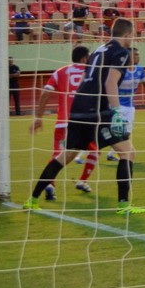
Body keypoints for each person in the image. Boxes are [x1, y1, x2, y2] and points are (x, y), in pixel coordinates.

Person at [23, 18, 145, 214]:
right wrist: (116, 112)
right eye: (132, 35)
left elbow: (84, 78)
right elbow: (110, 83)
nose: (133, 39)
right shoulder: (122, 52)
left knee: (67, 154)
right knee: (128, 152)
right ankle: (124, 205)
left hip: (78, 106)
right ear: (127, 35)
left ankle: (32, 199)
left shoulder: (99, 49)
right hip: (98, 109)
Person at [29, 45, 97, 196]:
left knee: (58, 155)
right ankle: (83, 180)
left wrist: (38, 117)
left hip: (62, 123)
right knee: (95, 149)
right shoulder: (91, 71)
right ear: (84, 58)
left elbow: (45, 93)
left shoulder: (60, 72)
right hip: (83, 123)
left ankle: (50, 185)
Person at [104, 47, 145, 162]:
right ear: (128, 57)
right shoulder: (120, 70)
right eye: (135, 55)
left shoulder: (140, 69)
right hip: (118, 105)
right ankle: (110, 151)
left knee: (126, 132)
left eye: (138, 55)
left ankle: (111, 153)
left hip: (130, 106)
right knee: (119, 131)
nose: (137, 57)